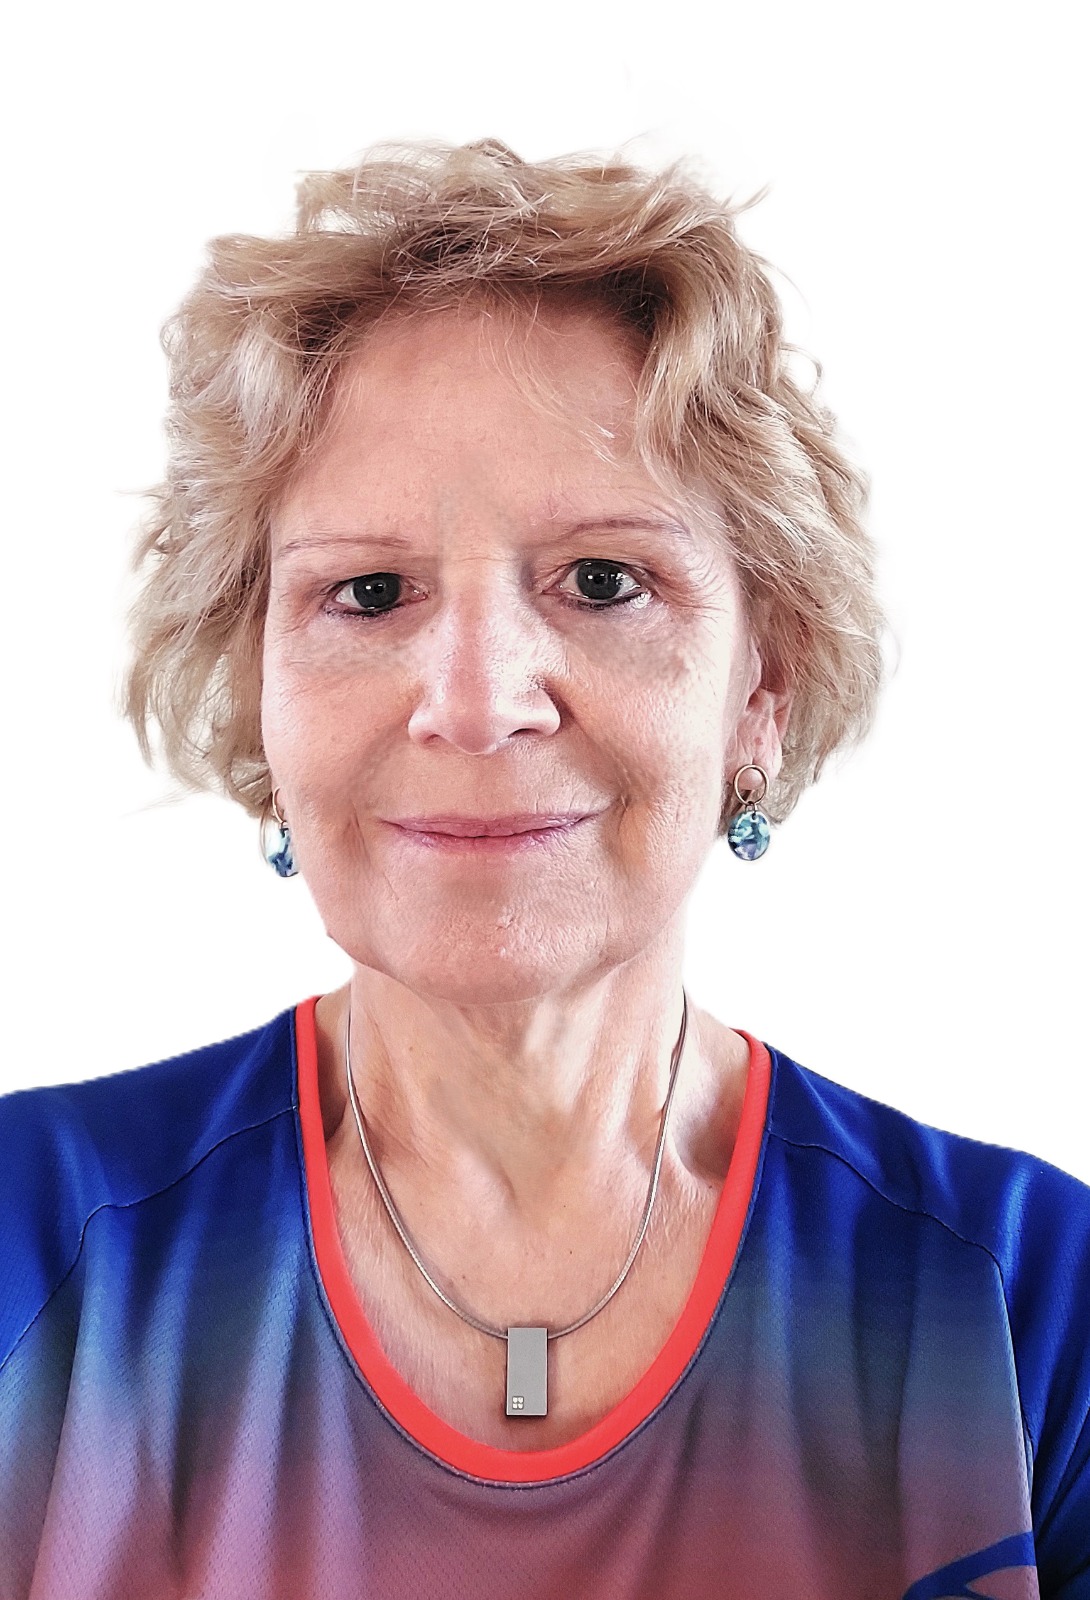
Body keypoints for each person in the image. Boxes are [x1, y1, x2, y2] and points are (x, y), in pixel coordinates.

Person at [1, 135, 1087, 1600]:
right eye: (367, 591)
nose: (474, 701)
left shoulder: (1029, 1308)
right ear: (253, 688)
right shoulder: (28, 1249)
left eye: (603, 582)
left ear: (760, 688)